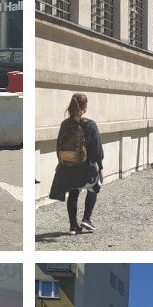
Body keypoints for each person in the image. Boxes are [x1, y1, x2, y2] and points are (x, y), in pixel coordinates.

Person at [49, 93, 104, 235]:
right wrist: (100, 168)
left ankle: (73, 225)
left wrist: (63, 162)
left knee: (73, 192)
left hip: (68, 166)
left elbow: (58, 146)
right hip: (85, 167)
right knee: (94, 187)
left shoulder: (65, 124)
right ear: (84, 107)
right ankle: (87, 218)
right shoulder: (90, 125)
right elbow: (96, 149)